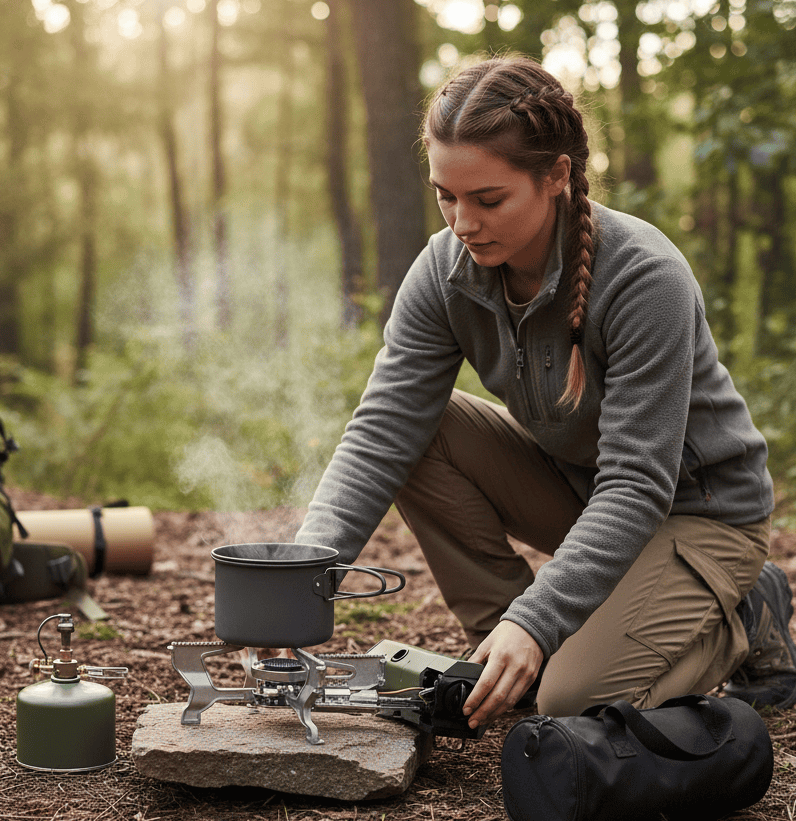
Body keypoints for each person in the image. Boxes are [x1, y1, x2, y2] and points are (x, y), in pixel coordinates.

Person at [295, 55, 796, 729]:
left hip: (696, 514)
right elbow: (381, 431)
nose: (462, 221)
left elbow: (638, 485)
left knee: (571, 703)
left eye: (488, 199)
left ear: (556, 175)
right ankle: (509, 646)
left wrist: (539, 621)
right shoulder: (445, 272)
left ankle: (739, 615)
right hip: (583, 492)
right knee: (423, 428)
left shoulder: (645, 278)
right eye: (446, 195)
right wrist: (302, 572)